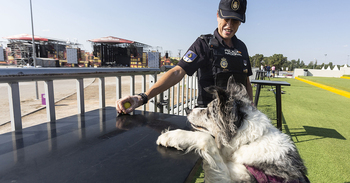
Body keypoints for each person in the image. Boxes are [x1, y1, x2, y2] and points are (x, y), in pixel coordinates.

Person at [116, 0, 253, 114]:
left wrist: (252, 109)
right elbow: (177, 71)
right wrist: (142, 97)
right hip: (211, 118)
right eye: (226, 18)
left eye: (235, 21)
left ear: (240, 22)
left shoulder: (242, 47)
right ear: (218, 15)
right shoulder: (204, 44)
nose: (229, 25)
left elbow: (246, 82)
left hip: (239, 116)